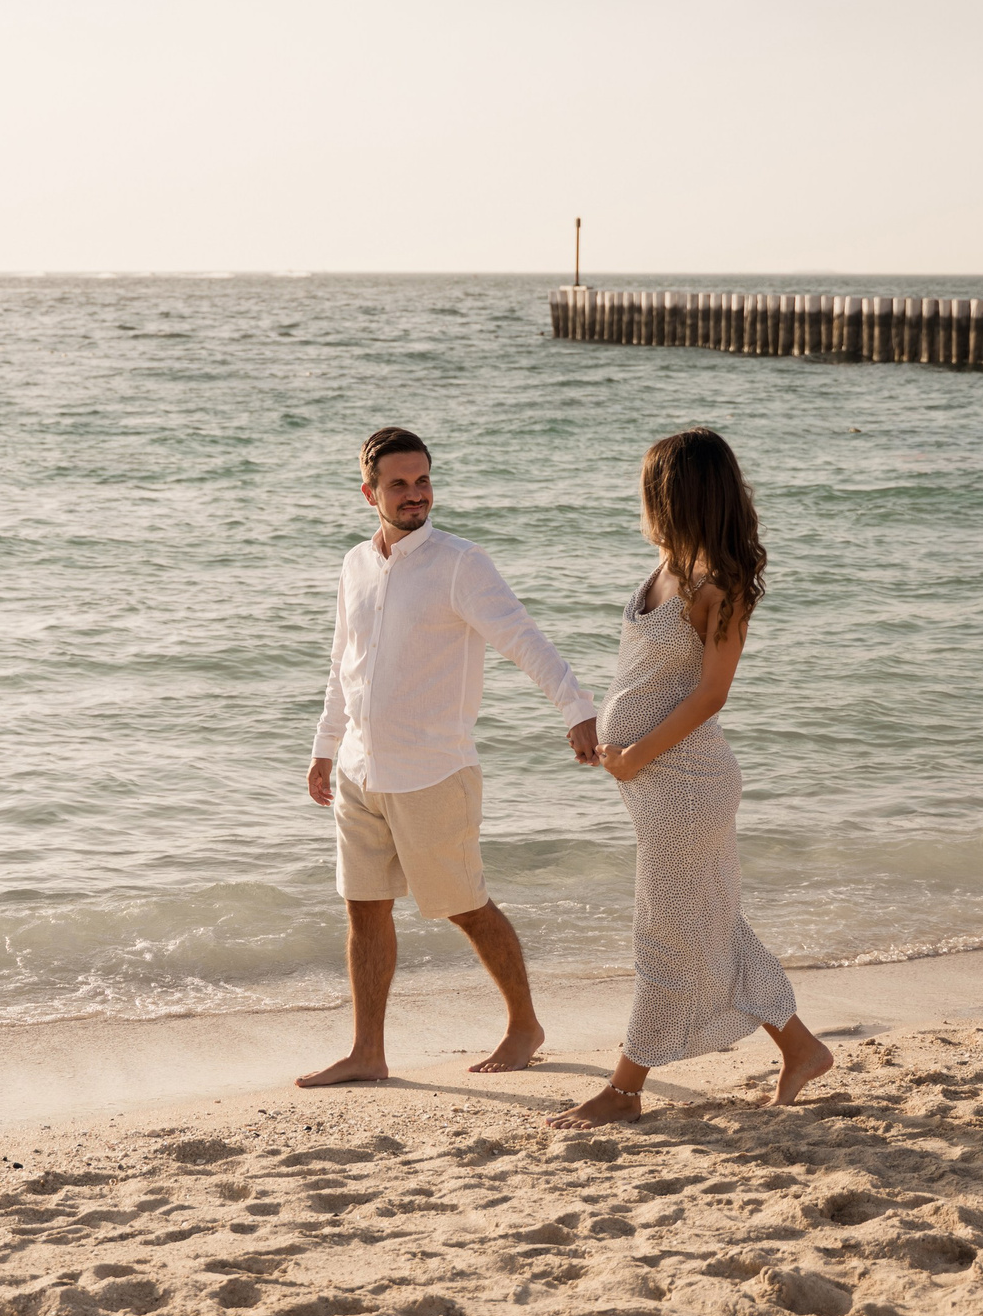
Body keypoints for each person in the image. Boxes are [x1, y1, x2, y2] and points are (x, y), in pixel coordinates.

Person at [300, 426, 602, 1088]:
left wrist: (577, 709)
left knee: (465, 907)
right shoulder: (354, 564)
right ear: (369, 493)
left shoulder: (461, 564)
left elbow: (523, 637)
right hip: (359, 770)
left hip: (434, 771)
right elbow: (340, 668)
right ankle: (368, 1052)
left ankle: (525, 1025)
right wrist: (324, 749)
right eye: (400, 484)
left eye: (423, 481)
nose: (416, 495)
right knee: (364, 908)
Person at [551, 428, 830, 1127]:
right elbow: (644, 675)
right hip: (651, 779)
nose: (638, 499)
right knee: (712, 926)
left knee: (666, 934)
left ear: (674, 497)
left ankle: (623, 1089)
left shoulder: (717, 585)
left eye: (648, 487)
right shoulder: (664, 569)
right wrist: (601, 730)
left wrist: (636, 752)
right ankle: (801, 1049)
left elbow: (711, 695)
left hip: (688, 784)